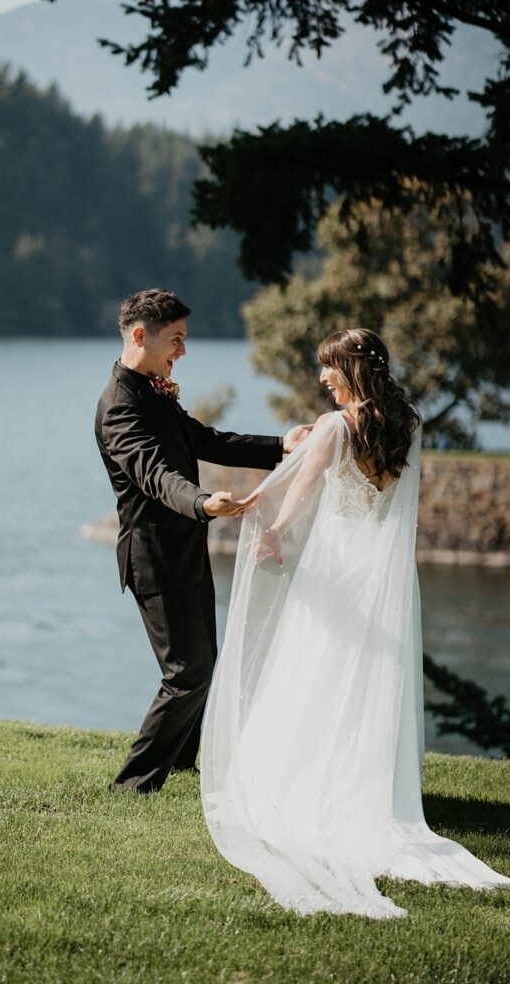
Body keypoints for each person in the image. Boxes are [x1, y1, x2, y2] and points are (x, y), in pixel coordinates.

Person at [200, 327, 510, 919]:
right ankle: (362, 791)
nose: (322, 377)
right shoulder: (410, 421)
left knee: (311, 670)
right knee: (360, 678)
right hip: (382, 571)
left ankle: (295, 791)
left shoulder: (334, 425)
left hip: (334, 565)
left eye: (329, 367)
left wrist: (270, 529)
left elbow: (299, 486)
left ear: (352, 367)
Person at [94, 288, 309, 794]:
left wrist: (281, 445)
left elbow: (203, 439)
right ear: (140, 335)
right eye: (177, 340)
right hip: (154, 559)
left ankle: (185, 762)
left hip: (188, 549)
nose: (183, 352)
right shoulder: (119, 407)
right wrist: (202, 502)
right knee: (186, 673)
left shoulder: (155, 388)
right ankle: (132, 785)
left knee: (203, 665)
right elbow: (155, 474)